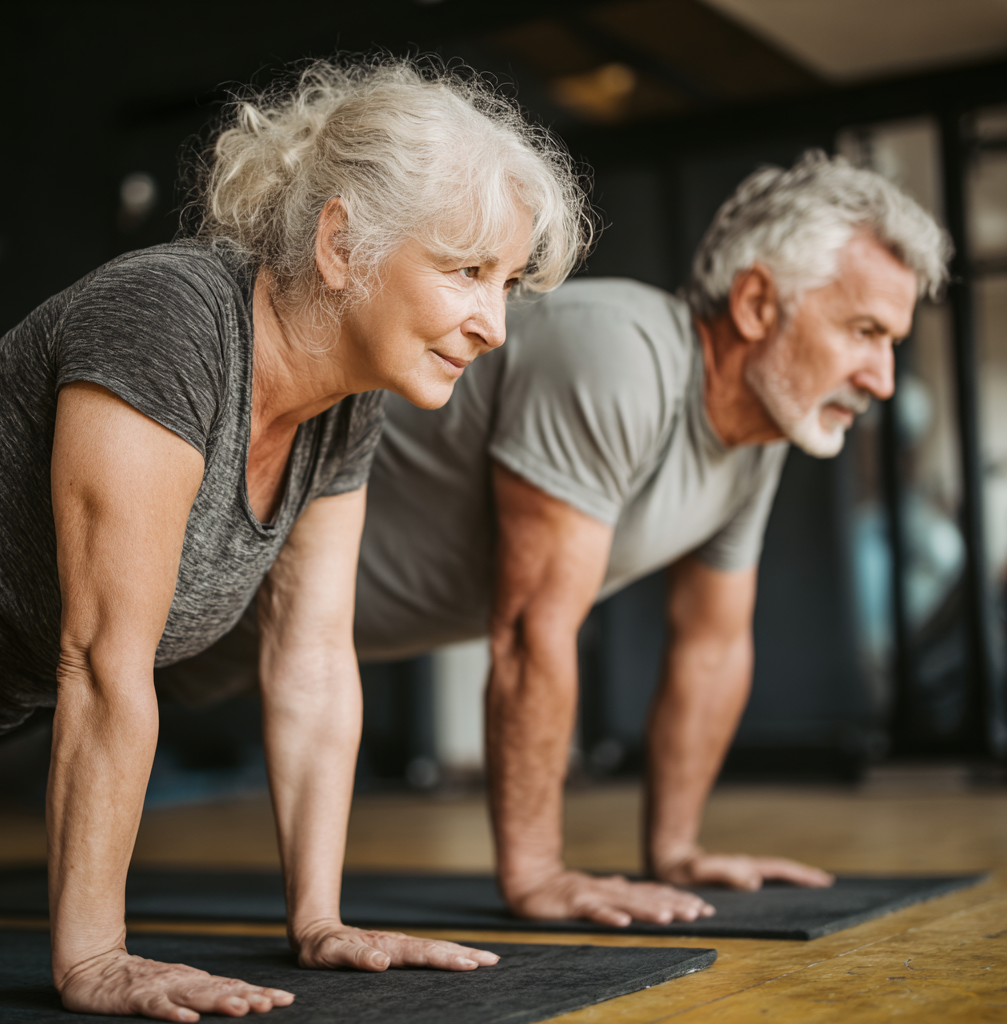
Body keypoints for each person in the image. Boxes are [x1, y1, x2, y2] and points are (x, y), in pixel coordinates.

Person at [0, 58, 591, 1020]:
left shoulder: (344, 405)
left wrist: (320, 921)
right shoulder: (168, 322)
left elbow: (312, 659)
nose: (495, 326)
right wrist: (93, 957)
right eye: (467, 272)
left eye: (508, 282)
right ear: (341, 245)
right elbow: (100, 663)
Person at [353, 151, 951, 927]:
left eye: (891, 342)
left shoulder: (756, 441)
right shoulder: (619, 353)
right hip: (222, 608)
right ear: (756, 304)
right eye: (864, 332)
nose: (883, 378)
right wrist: (537, 875)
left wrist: (675, 850)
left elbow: (712, 645)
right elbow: (532, 631)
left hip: (292, 642)